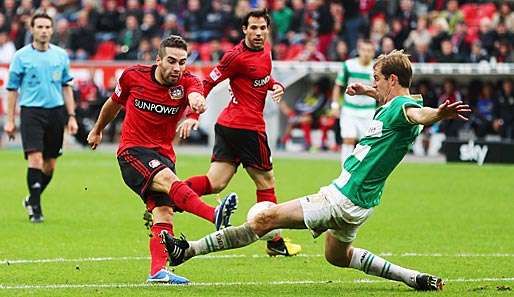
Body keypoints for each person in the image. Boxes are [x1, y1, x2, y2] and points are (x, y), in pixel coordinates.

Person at [160, 50, 471, 290]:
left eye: (377, 78)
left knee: (264, 218)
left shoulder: (405, 110)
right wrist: (366, 91)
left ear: (391, 79)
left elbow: (418, 115)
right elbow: (398, 103)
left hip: (342, 197)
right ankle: (412, 277)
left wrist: (438, 114)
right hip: (362, 203)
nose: (375, 83)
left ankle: (187, 251)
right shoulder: (397, 102)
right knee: (337, 256)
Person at [86, 35, 238, 284]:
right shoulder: (133, 76)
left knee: (164, 212)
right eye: (171, 61)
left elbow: (195, 96)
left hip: (164, 156)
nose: (177, 68)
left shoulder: (189, 82)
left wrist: (195, 106)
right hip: (133, 153)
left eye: (182, 62)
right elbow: (113, 104)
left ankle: (157, 271)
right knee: (168, 179)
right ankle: (214, 215)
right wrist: (98, 129)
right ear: (158, 60)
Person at [181, 9, 301, 257]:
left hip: (228, 126)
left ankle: (171, 194)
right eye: (253, 28)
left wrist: (276, 86)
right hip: (246, 128)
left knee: (216, 182)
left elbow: (262, 78)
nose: (258, 33)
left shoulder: (266, 51)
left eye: (262, 28)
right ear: (244, 30)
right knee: (266, 182)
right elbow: (207, 83)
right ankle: (275, 242)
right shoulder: (234, 57)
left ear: (268, 29)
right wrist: (193, 114)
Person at [4, 12, 78, 223]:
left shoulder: (60, 55)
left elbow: (66, 86)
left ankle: (31, 198)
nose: (44, 30)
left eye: (47, 27)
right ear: (32, 29)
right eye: (40, 27)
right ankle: (36, 208)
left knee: (50, 164)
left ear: (52, 30)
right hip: (31, 112)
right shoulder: (21, 56)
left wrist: (71, 116)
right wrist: (10, 120)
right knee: (35, 158)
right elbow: (11, 89)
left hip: (56, 112)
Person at [331, 39, 376, 165]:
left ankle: (361, 171)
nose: (366, 53)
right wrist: (334, 105)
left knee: (365, 143)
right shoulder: (349, 65)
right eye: (364, 50)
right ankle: (345, 170)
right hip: (349, 110)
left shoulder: (376, 68)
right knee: (348, 139)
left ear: (373, 52)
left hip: (368, 111)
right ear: (359, 51)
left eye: (369, 50)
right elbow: (338, 85)